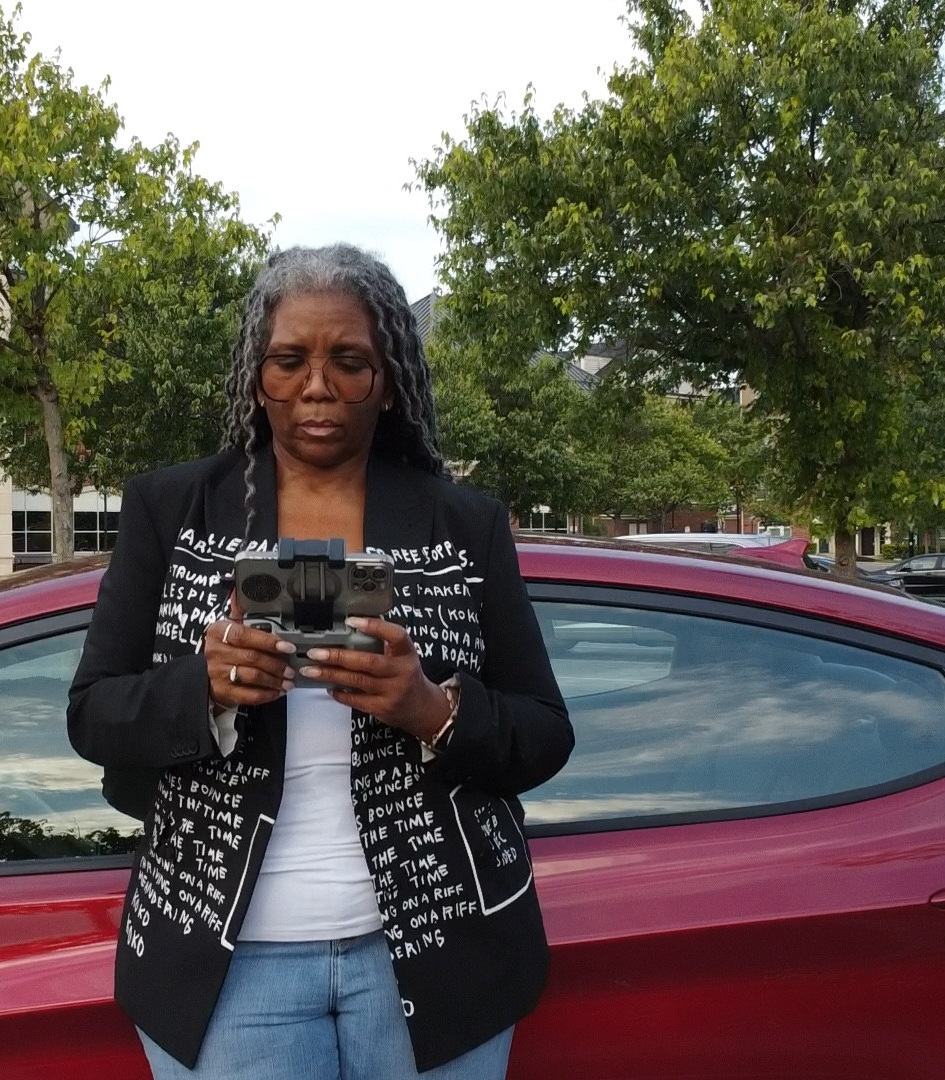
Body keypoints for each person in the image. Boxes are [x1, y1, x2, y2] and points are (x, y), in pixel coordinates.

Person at [68, 244, 573, 1079]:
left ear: (389, 378)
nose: (316, 387)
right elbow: (93, 713)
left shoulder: (462, 522)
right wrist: (209, 691)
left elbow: (546, 733)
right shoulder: (172, 508)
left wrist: (431, 710)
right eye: (288, 361)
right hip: (226, 964)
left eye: (349, 362)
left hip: (432, 950)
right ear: (254, 372)